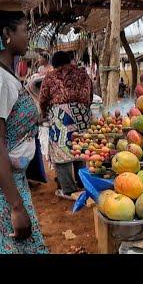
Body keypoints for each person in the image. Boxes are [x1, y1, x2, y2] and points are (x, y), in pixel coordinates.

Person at [0, 10, 48, 254]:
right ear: (7, 34)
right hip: (0, 182)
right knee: (19, 246)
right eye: (25, 30)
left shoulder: (5, 74)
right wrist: (16, 206)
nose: (29, 37)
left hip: (8, 178)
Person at [39, 51, 92, 200]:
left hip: (61, 117)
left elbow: (43, 98)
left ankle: (68, 189)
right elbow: (90, 96)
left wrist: (44, 114)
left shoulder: (50, 76)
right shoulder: (83, 74)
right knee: (79, 150)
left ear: (54, 63)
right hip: (81, 114)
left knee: (61, 152)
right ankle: (83, 184)